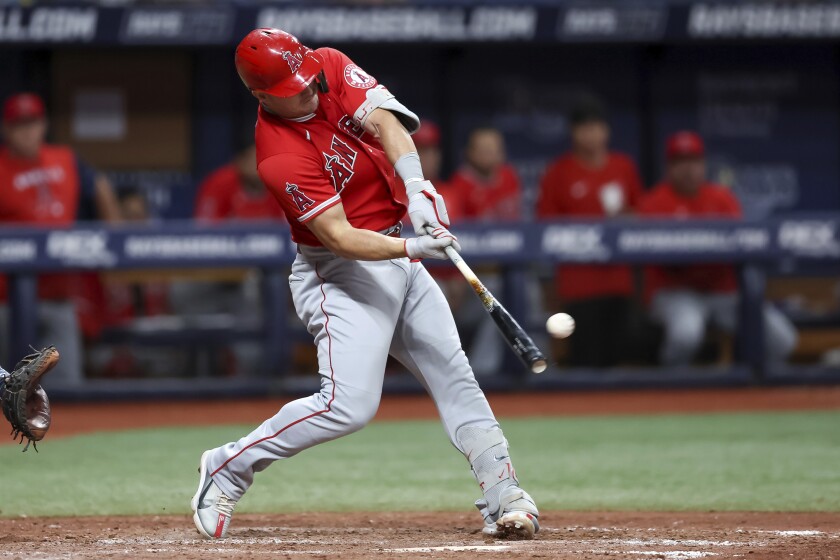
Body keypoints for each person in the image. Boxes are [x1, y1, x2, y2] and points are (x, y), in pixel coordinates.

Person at [191, 28, 539, 541]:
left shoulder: (327, 64)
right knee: (348, 407)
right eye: (293, 89)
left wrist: (418, 190)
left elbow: (385, 121)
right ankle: (228, 466)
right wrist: (413, 249)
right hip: (340, 273)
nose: (308, 91)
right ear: (261, 97)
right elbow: (339, 237)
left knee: (455, 375)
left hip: (396, 250)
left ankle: (505, 494)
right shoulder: (277, 155)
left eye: (308, 79)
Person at [638, 131, 798, 366]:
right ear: (669, 167)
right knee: (686, 335)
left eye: (694, 161)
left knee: (783, 339)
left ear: (703, 164)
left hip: (723, 292)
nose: (688, 169)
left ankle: (759, 395)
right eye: (680, 162)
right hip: (676, 291)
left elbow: (744, 245)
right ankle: (671, 391)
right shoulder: (653, 203)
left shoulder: (722, 199)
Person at [0, 92, 121, 385]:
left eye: (33, 123)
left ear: (44, 125)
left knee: (66, 387)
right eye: (19, 125)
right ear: (6, 129)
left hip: (59, 294)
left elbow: (99, 184)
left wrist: (118, 238)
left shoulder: (64, 159)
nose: (28, 131)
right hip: (5, 300)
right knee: (7, 388)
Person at [536, 96, 643, 367]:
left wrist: (626, 218)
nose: (591, 134)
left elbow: (641, 215)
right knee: (585, 361)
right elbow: (545, 228)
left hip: (619, 280)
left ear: (606, 130)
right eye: (584, 128)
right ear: (574, 132)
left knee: (622, 359)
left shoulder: (623, 167)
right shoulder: (558, 172)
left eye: (597, 127)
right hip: (578, 284)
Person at [444, 127, 521, 222]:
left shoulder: (509, 176)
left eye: (493, 149)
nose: (489, 154)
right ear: (470, 153)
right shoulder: (459, 184)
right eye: (484, 149)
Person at [194, 144, 285, 223]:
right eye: (253, 159)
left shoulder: (282, 183)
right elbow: (205, 227)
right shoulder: (220, 183)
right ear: (240, 161)